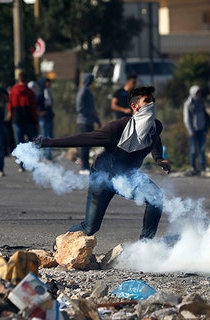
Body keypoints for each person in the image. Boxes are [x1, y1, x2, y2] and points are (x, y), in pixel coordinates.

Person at [35, 86, 171, 240]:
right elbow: (84, 139)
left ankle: (145, 245)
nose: (152, 104)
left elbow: (155, 139)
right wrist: (48, 142)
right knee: (90, 227)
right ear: (135, 106)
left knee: (156, 198)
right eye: (147, 101)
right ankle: (60, 245)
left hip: (128, 177)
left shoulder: (156, 126)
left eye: (153, 100)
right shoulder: (118, 128)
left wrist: (159, 158)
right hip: (103, 177)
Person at [76, 73, 101, 175]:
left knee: (88, 144)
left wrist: (97, 120)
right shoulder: (82, 92)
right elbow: (79, 108)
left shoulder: (89, 92)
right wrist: (91, 113)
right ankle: (83, 167)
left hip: (89, 121)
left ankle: (86, 166)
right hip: (83, 122)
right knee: (84, 145)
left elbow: (92, 108)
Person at [9, 71, 38, 151]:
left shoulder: (13, 91)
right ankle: (31, 161)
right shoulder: (30, 92)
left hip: (17, 119)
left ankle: (22, 162)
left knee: (19, 143)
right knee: (31, 143)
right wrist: (35, 122)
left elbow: (10, 107)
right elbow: (33, 109)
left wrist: (12, 117)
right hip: (28, 120)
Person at [183, 85, 208, 175]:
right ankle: (193, 166)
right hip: (193, 130)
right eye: (197, 93)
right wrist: (190, 130)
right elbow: (186, 119)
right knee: (193, 149)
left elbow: (203, 116)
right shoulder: (188, 104)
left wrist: (205, 129)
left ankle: (202, 167)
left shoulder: (200, 102)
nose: (199, 94)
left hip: (201, 129)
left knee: (202, 149)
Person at [37, 77, 55, 160]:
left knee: (50, 137)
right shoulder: (40, 94)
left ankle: (48, 155)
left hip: (49, 117)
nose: (49, 84)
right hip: (43, 118)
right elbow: (37, 105)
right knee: (44, 137)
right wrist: (40, 112)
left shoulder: (49, 92)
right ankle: (44, 155)